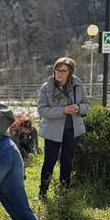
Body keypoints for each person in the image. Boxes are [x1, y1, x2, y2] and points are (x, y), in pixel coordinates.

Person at [37, 57, 89, 198]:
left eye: (63, 70)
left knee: (67, 161)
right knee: (49, 161)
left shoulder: (78, 85)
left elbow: (86, 105)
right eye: (57, 70)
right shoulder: (46, 87)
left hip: (72, 130)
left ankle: (64, 192)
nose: (59, 73)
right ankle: (43, 192)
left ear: (70, 72)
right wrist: (63, 110)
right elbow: (42, 110)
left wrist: (78, 108)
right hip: (53, 131)